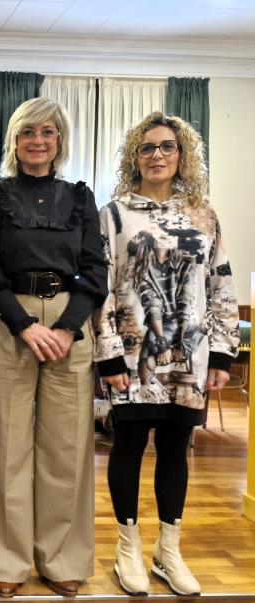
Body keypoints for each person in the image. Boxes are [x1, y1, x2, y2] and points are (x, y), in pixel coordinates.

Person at [0, 97, 107, 598]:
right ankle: (4, 558)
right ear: (15, 140)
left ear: (59, 140)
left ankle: (62, 557)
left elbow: (95, 270)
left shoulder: (80, 197)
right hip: (9, 322)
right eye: (28, 132)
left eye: (47, 132)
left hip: (70, 326)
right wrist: (25, 325)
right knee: (5, 447)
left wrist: (67, 328)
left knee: (67, 447)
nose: (38, 141)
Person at [93, 111, 239, 597]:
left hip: (189, 358)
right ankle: (128, 548)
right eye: (147, 147)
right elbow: (100, 288)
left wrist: (222, 354)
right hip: (132, 357)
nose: (157, 155)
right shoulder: (114, 214)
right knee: (130, 445)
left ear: (182, 155)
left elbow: (220, 284)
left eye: (167, 147)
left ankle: (168, 550)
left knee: (176, 449)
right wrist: (108, 355)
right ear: (134, 157)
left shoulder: (203, 213)